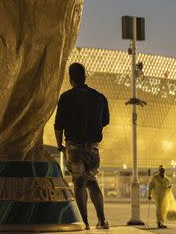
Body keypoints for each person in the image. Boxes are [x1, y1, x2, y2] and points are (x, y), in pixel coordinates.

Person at [54, 62, 110, 230]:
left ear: (71, 79)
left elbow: (58, 125)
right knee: (92, 182)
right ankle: (102, 220)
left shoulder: (66, 97)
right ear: (85, 77)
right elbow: (105, 121)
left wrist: (59, 146)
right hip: (93, 148)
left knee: (79, 184)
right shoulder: (99, 97)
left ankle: (84, 222)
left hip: (74, 147)